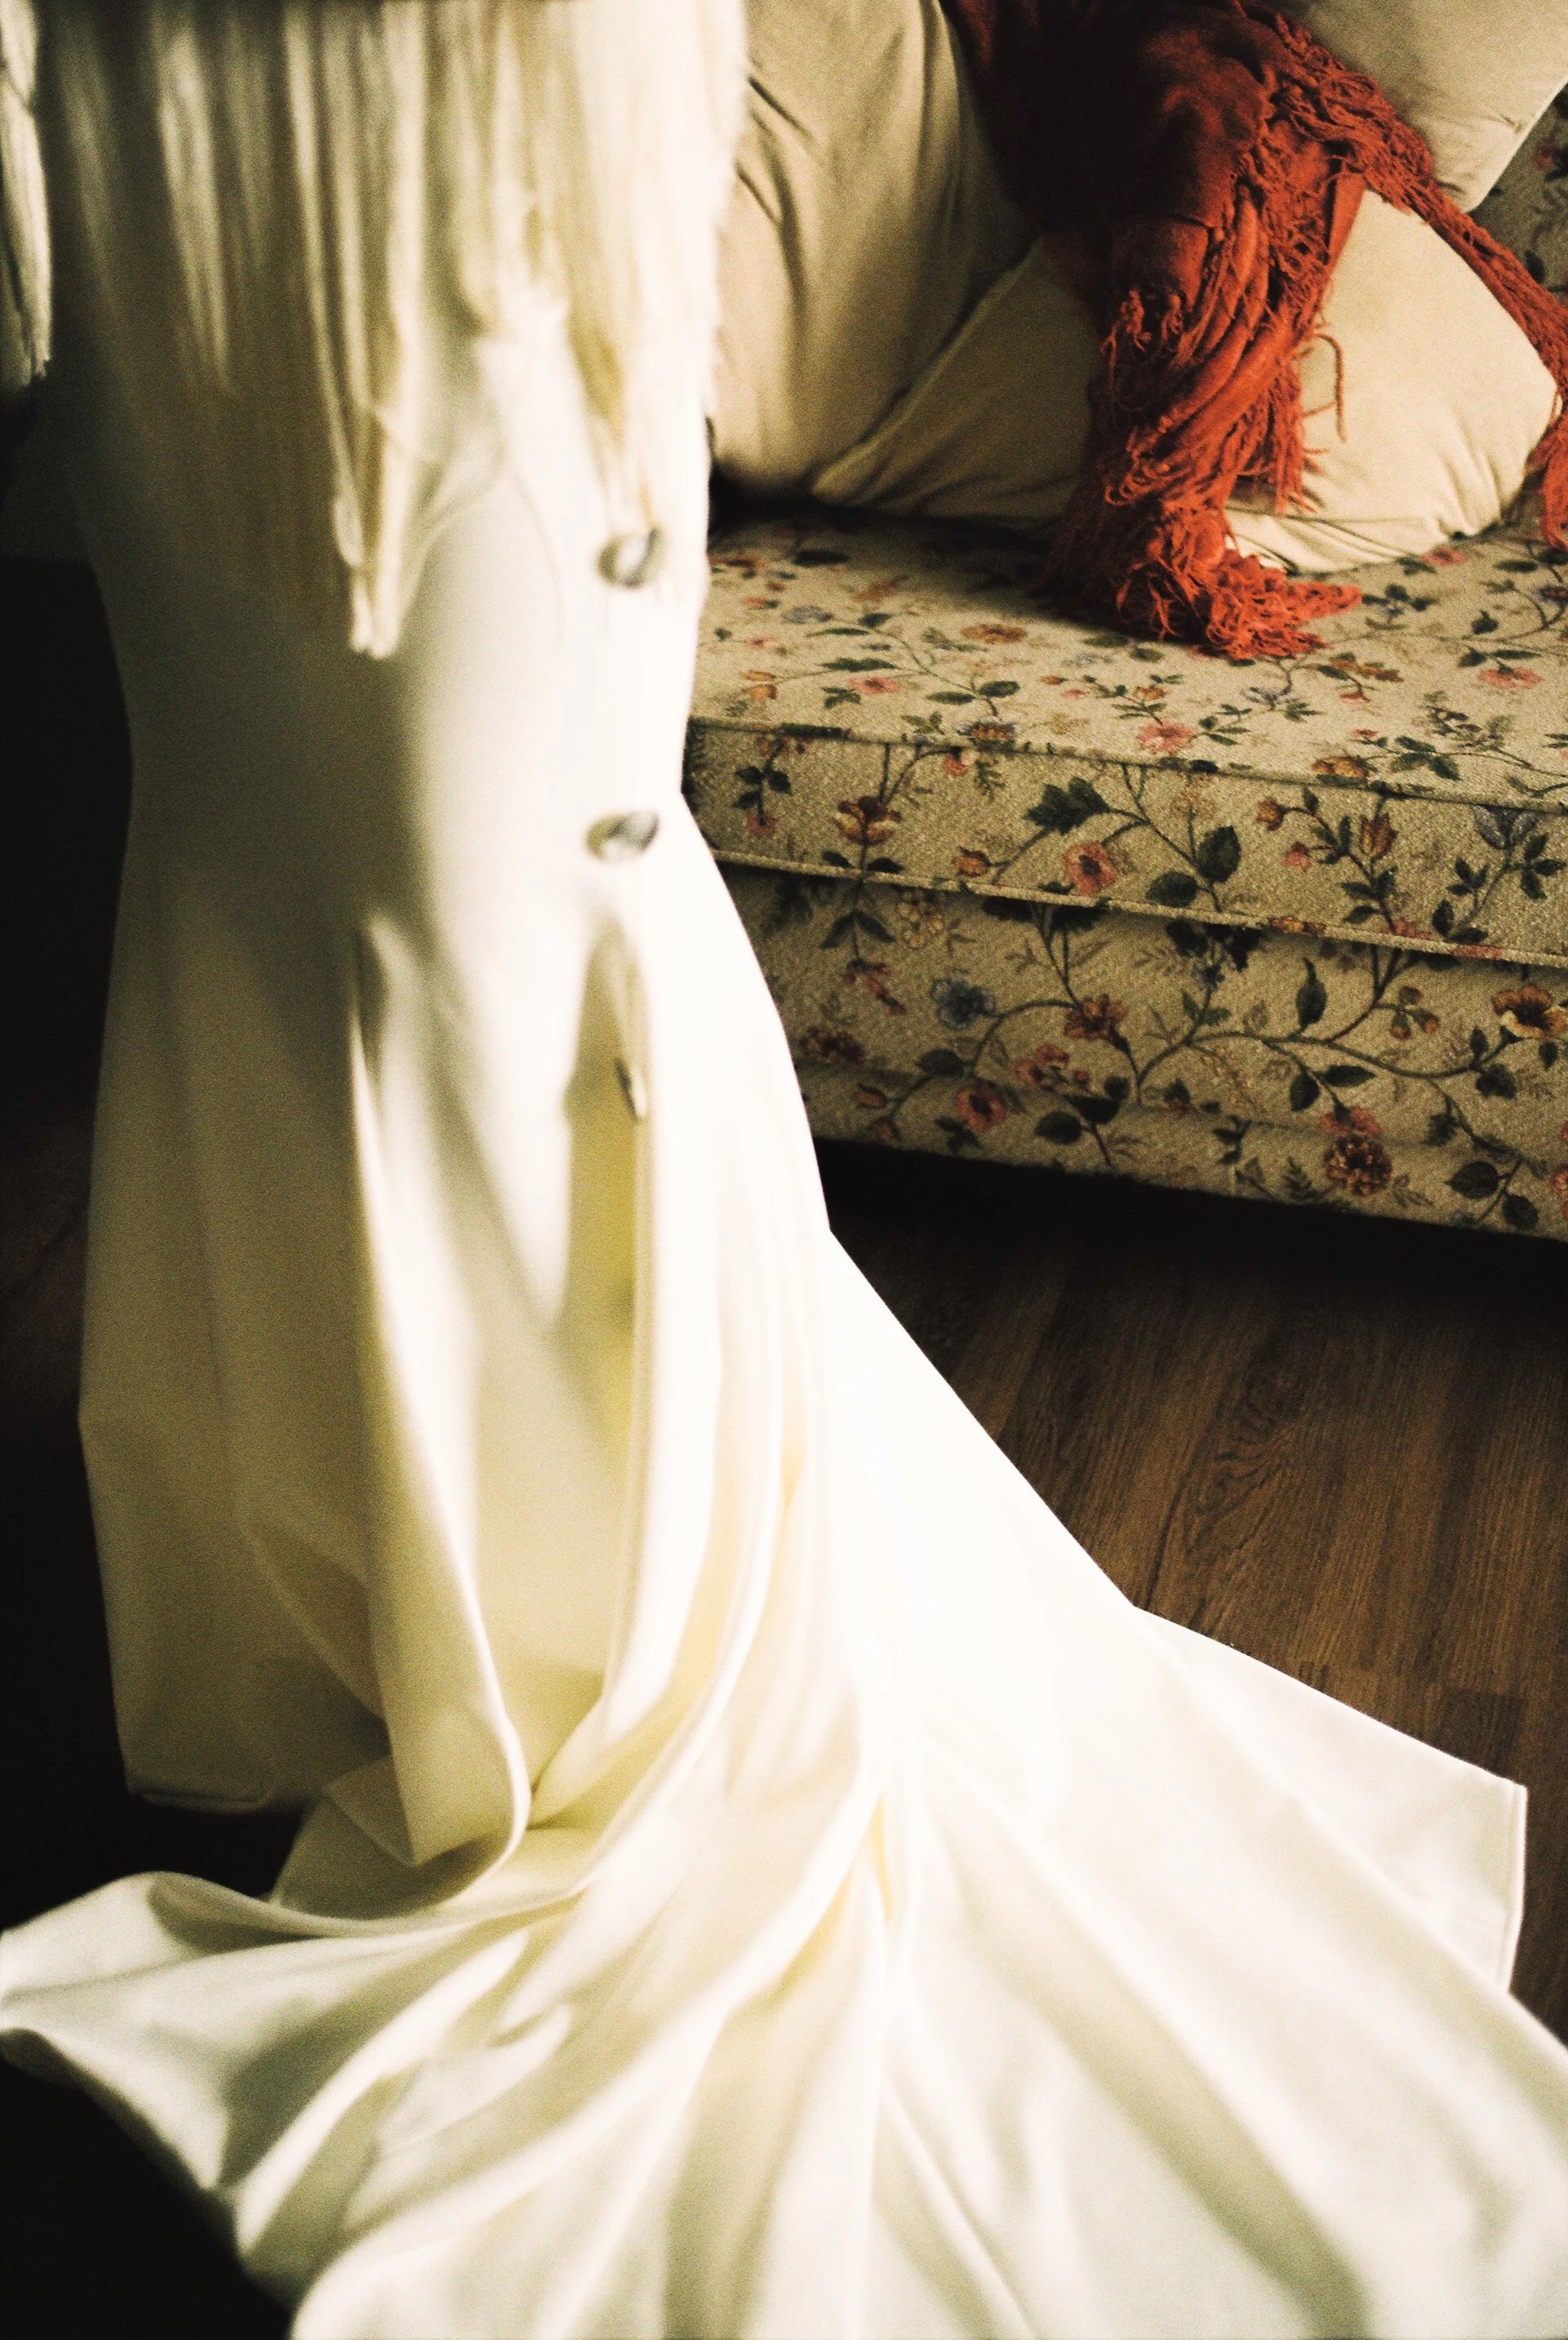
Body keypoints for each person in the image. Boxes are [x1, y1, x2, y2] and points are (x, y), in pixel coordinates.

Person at [2, 5, 1568, 2335]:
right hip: (176, 146)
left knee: (490, 912)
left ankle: (575, 1637)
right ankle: (339, 1582)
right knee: (257, 887)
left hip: (467, 134)